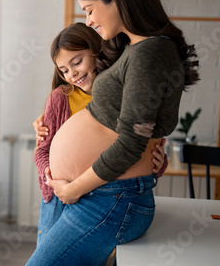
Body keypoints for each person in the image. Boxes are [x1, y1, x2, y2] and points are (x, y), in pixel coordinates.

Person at [26, 0, 199, 265]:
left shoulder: (150, 52)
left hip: (110, 197)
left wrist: (74, 189)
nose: (89, 20)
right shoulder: (134, 50)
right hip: (104, 195)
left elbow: (132, 143)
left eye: (90, 10)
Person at [32, 22, 168, 246]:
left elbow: (137, 149)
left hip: (106, 196)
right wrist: (53, 173)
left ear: (97, 50)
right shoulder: (62, 97)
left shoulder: (125, 94)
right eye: (64, 70)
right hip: (60, 197)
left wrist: (159, 163)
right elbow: (42, 150)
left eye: (77, 62)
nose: (72, 74)